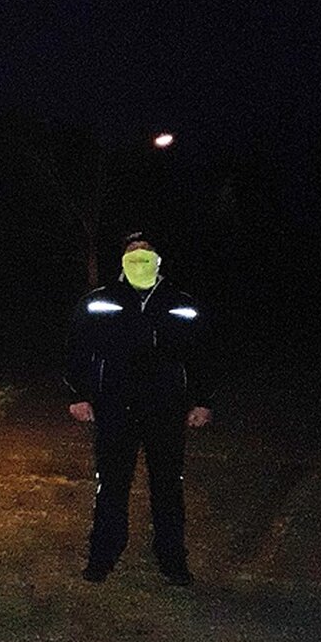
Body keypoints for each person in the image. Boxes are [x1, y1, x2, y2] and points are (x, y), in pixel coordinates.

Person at [65, 232, 213, 586]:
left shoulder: (181, 303)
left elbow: (204, 356)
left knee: (168, 488)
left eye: (146, 252)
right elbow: (76, 350)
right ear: (122, 259)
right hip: (114, 408)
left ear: (158, 259)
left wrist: (203, 401)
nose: (139, 258)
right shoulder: (99, 301)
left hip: (165, 410)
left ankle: (172, 561)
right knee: (111, 487)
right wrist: (80, 395)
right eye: (132, 253)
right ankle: (103, 556)